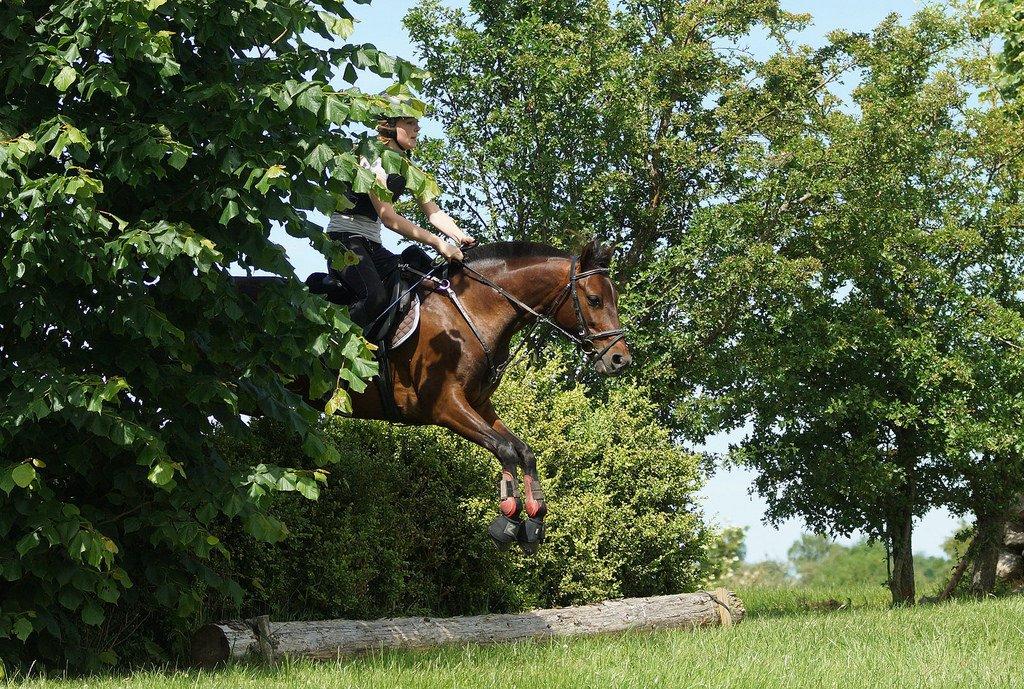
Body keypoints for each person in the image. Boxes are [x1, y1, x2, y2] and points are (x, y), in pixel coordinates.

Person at [321, 101, 475, 338]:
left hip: (372, 245)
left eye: (417, 123)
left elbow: (433, 212)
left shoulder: (406, 166)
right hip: (344, 241)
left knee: (423, 273)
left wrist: (460, 236)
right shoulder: (372, 158)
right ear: (390, 126)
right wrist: (439, 243)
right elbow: (388, 218)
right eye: (410, 123)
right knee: (375, 298)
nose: (417, 129)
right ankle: (333, 345)